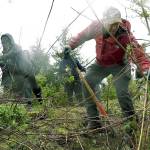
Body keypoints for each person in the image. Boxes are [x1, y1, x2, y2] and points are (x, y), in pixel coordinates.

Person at [64, 7, 150, 130]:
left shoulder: (125, 34)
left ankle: (131, 123)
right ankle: (94, 121)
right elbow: (82, 35)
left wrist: (146, 67)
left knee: (121, 92)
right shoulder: (96, 27)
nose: (114, 27)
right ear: (104, 21)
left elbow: (138, 52)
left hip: (119, 65)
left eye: (117, 23)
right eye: (111, 24)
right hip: (100, 64)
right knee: (87, 80)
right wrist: (70, 45)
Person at [0, 33, 42, 107]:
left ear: (10, 41)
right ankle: (27, 104)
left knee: (33, 86)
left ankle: (40, 100)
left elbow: (12, 53)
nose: (4, 44)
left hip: (27, 70)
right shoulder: (4, 53)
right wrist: (2, 64)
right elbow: (4, 65)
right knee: (20, 87)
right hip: (18, 72)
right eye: (2, 42)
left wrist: (2, 57)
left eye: (6, 41)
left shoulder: (16, 47)